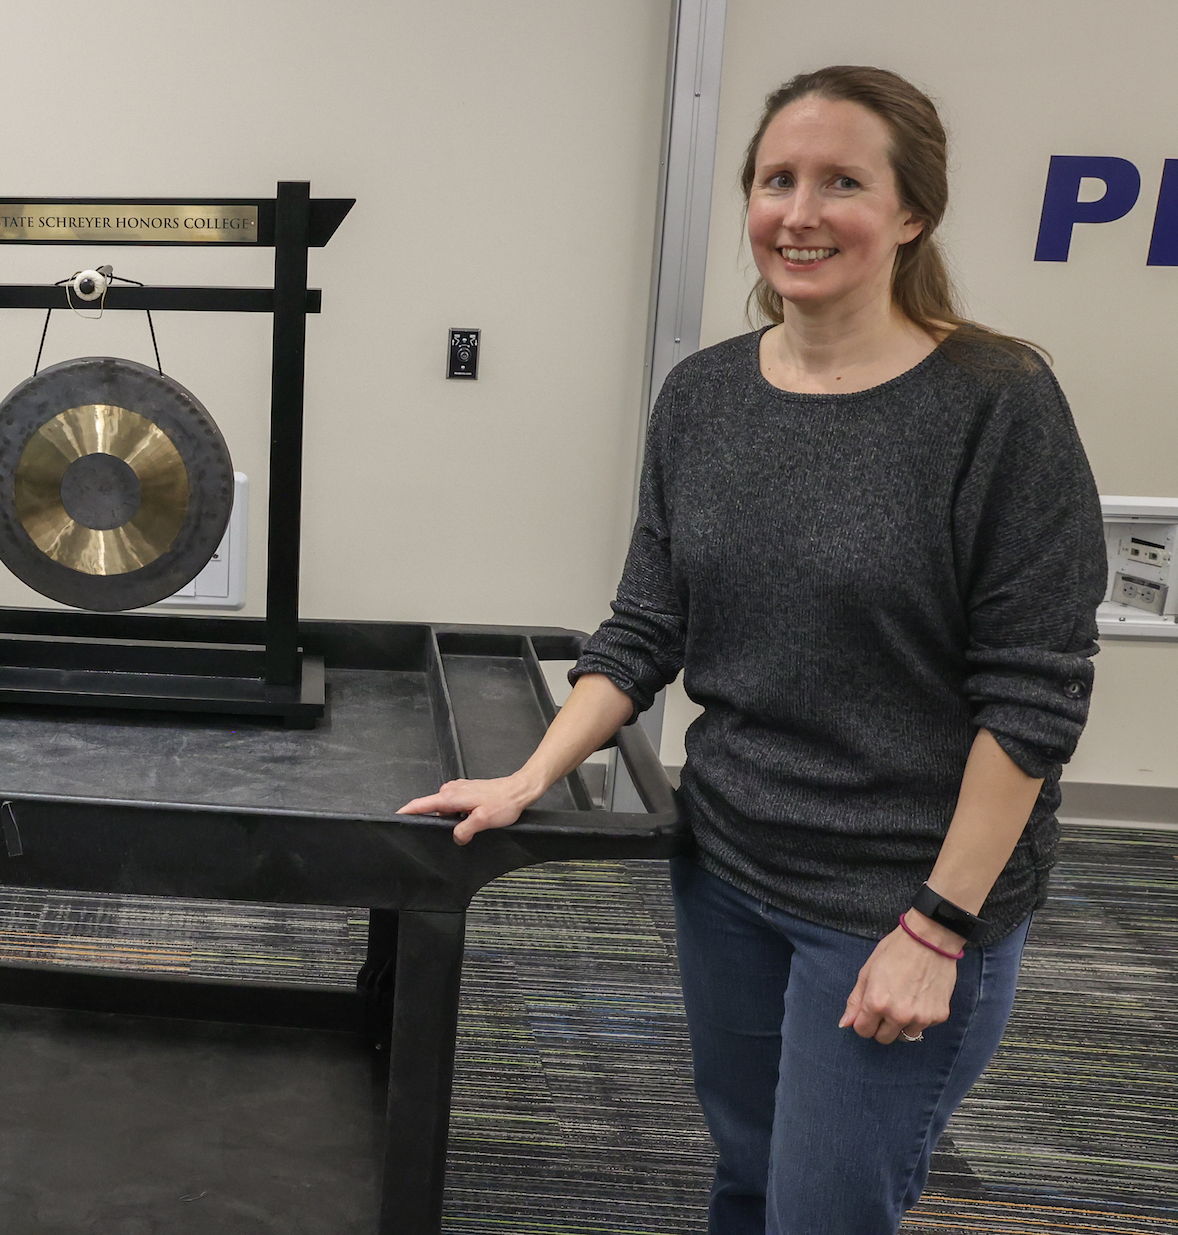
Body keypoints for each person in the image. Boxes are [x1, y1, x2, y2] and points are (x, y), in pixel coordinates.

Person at [400, 65, 1106, 1233]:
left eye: (843, 182)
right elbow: (644, 625)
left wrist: (939, 927)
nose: (802, 212)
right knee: (746, 1171)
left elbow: (1034, 695)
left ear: (913, 212)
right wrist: (537, 769)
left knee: (825, 1210)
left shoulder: (998, 403)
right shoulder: (706, 395)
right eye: (778, 179)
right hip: (726, 863)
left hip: (901, 894)